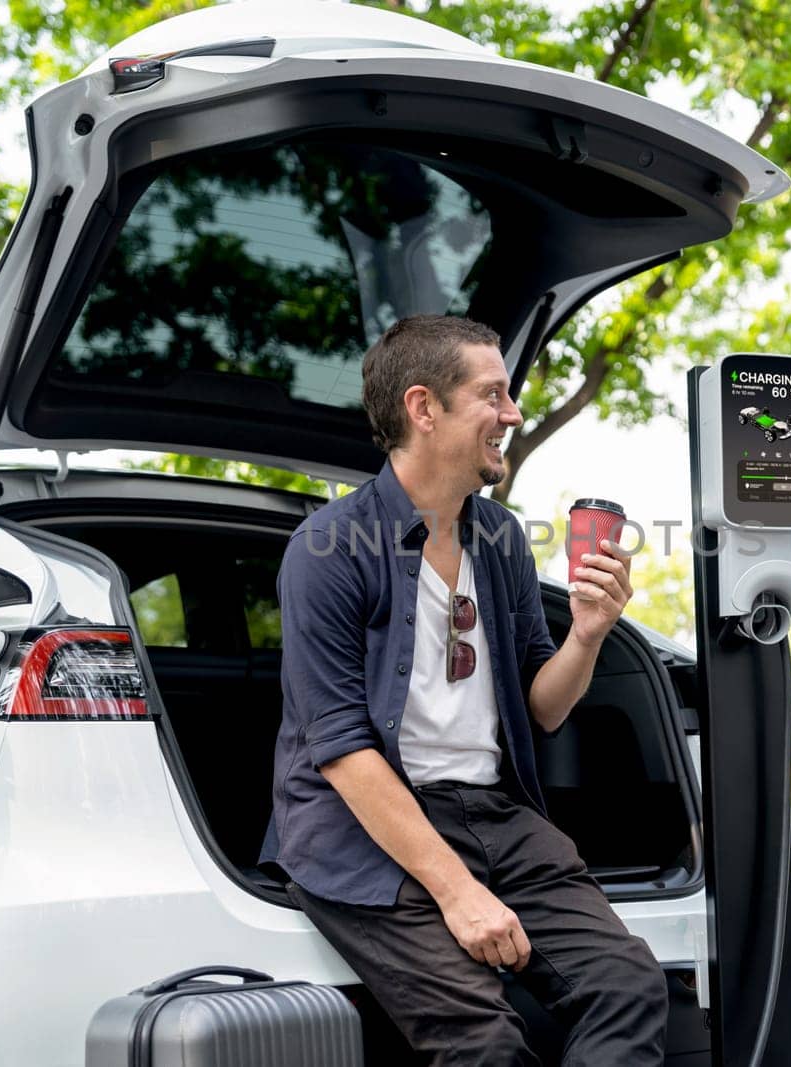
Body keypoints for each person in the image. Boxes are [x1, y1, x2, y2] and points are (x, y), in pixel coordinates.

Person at [260, 314, 668, 1065]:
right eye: (493, 394)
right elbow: (343, 749)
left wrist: (587, 632)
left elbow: (541, 707)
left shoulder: (502, 539)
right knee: (483, 1042)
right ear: (424, 408)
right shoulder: (326, 552)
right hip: (364, 831)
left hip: (497, 816)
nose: (513, 414)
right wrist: (457, 891)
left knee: (630, 986)